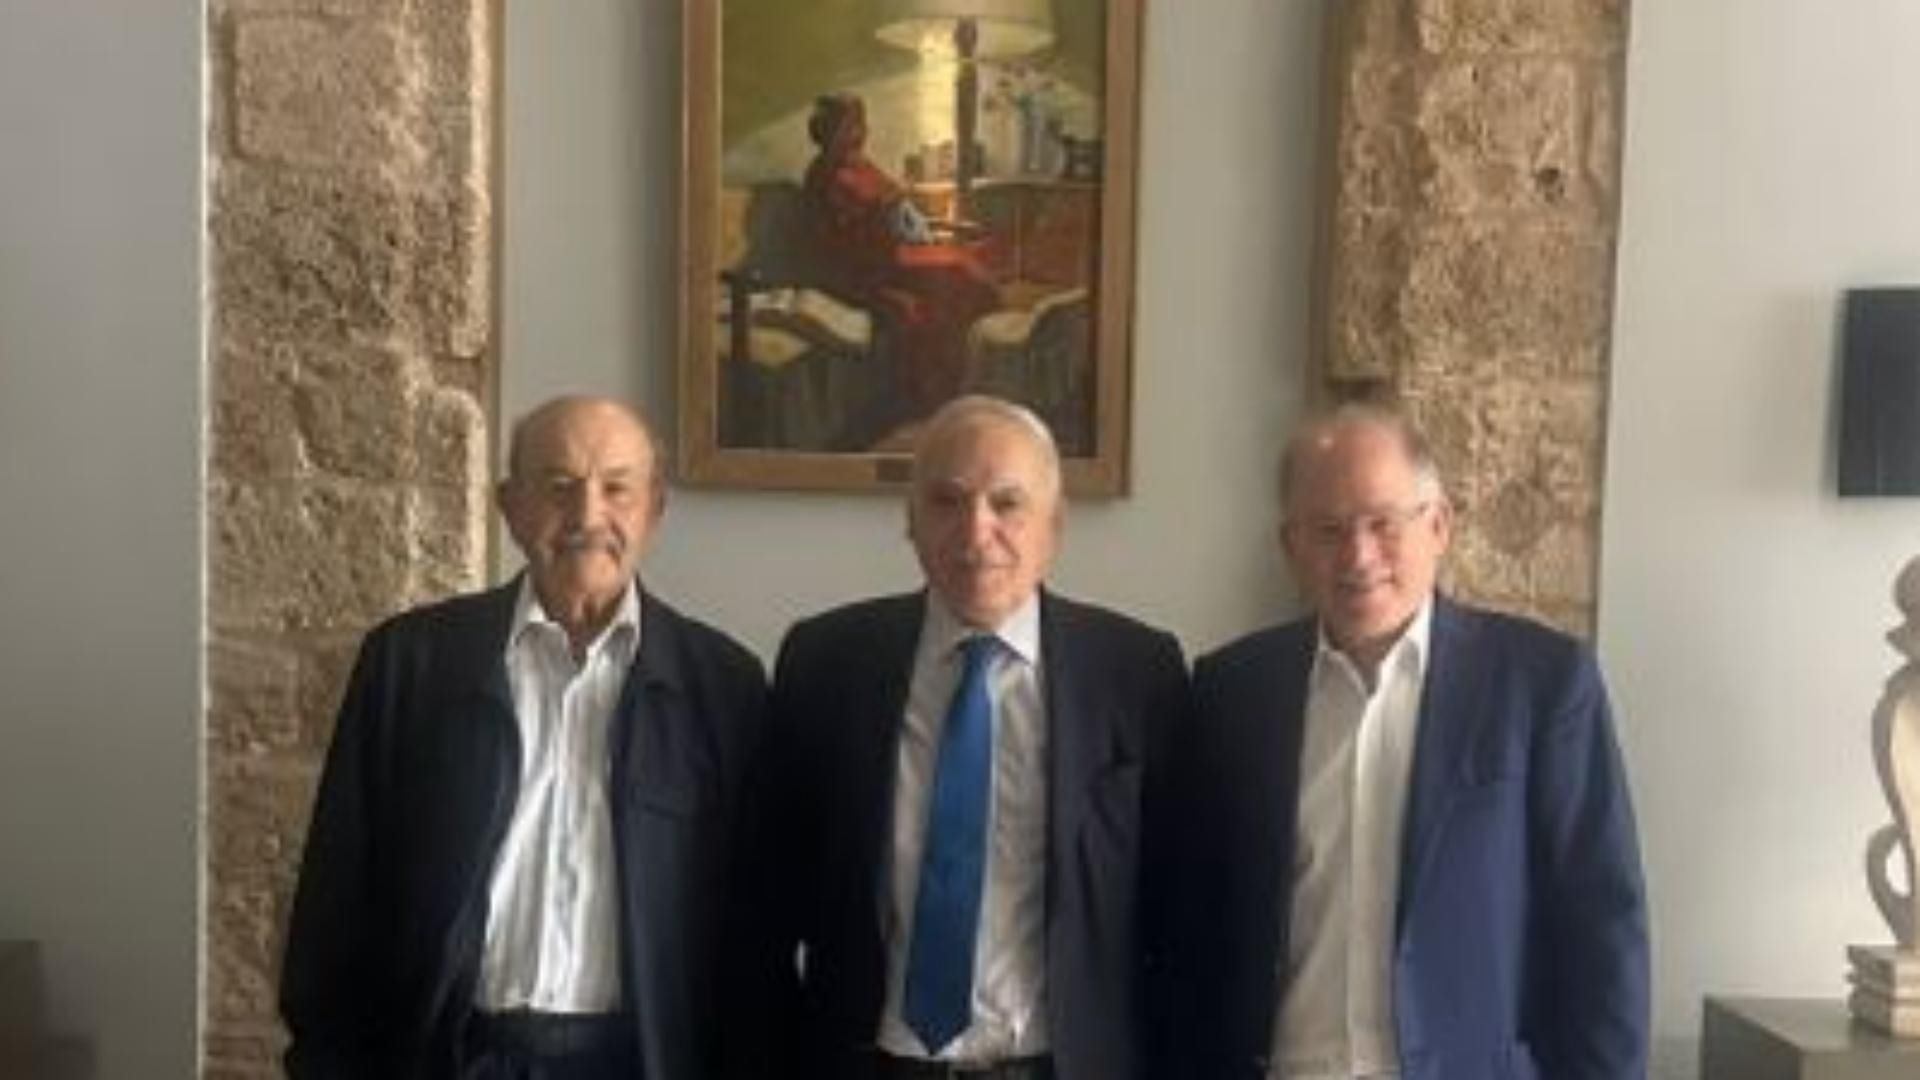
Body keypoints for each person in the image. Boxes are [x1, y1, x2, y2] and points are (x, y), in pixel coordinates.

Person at [279, 395, 767, 1079]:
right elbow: (335, 899)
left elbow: (754, 935)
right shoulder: (408, 664)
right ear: (510, 507)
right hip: (450, 1057)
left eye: (616, 489)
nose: (587, 516)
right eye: (559, 486)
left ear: (655, 509)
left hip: (638, 1062)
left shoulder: (724, 686)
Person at [1163, 402, 1648, 1079]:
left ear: (1439, 525)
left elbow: (1602, 928)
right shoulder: (1231, 692)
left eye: (1383, 524)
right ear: (1291, 546)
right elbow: (1190, 929)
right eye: (1329, 530)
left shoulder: (1541, 685)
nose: (1358, 556)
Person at [744, 395, 1188, 1080]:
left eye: (1007, 503)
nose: (976, 531)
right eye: (947, 501)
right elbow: (768, 901)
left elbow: (1178, 911)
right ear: (910, 521)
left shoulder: (1137, 673)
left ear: (1054, 525)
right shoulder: (825, 662)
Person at [802, 93, 1002, 415]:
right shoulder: (831, 178)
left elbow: (894, 203)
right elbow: (871, 251)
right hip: (859, 277)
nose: (861, 133)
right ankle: (935, 401)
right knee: (954, 282)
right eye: (850, 125)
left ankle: (967, 389)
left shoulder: (859, 165)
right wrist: (951, 255)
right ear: (827, 131)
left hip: (888, 260)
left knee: (967, 281)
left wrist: (946, 251)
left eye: (861, 123)